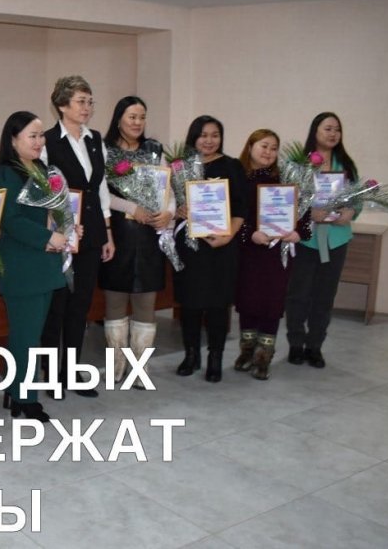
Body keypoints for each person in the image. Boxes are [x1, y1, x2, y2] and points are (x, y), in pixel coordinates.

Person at [0, 111, 68, 422]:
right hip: (22, 266)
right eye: (32, 136)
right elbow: (10, 220)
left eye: (41, 135)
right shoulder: (6, 173)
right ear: (13, 140)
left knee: (32, 333)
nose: (39, 141)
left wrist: (69, 228)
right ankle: (26, 399)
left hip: (45, 264)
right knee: (26, 336)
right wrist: (48, 237)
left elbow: (53, 212)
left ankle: (16, 389)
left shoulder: (42, 169)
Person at [39, 76, 115, 399]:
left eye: (90, 101)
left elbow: (101, 187)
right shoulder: (47, 142)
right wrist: (56, 230)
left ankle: (71, 371)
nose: (87, 107)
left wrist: (108, 233)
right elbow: (42, 192)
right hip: (61, 235)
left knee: (80, 305)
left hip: (92, 232)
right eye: (81, 101)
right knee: (56, 306)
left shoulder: (95, 139)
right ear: (62, 105)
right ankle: (49, 374)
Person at [100, 96, 174, 388]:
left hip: (149, 236)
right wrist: (132, 208)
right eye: (132, 117)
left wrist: (168, 213)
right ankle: (116, 367)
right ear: (119, 118)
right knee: (115, 300)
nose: (137, 122)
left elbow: (168, 190)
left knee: (146, 300)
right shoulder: (105, 150)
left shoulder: (154, 149)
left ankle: (139, 369)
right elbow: (100, 193)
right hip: (117, 234)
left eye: (142, 117)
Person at [173, 115, 246, 382]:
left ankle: (215, 358)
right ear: (194, 137)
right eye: (203, 135)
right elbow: (167, 202)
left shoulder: (232, 166)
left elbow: (241, 207)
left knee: (217, 305)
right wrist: (177, 210)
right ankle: (191, 355)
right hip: (190, 247)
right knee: (190, 303)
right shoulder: (180, 167)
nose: (209, 140)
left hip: (221, 247)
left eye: (215, 135)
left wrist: (228, 236)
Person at [235, 129, 311, 379]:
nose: (268, 152)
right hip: (248, 253)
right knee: (247, 302)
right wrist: (250, 234)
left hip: (278, 254)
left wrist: (298, 233)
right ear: (250, 147)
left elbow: (304, 215)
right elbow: (232, 215)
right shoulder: (238, 177)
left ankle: (263, 358)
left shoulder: (285, 180)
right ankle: (246, 352)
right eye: (264, 146)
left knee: (272, 303)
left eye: (274, 148)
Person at [285, 112, 358, 368]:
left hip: (336, 239)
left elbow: (357, 199)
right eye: (328, 128)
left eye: (337, 129)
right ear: (315, 131)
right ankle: (296, 344)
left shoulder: (346, 164)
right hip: (304, 239)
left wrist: (351, 212)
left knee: (325, 296)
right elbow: (285, 199)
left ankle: (315, 346)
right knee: (298, 294)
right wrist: (307, 214)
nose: (333, 133)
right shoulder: (299, 163)